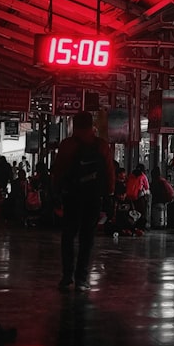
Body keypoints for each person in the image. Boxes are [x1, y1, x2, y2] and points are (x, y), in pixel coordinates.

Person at [51, 111, 115, 292]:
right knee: (87, 238)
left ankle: (66, 276)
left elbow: (58, 171)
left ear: (74, 125)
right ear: (91, 125)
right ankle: (82, 279)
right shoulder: (102, 146)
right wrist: (108, 194)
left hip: (72, 196)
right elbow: (110, 172)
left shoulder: (67, 145)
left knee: (68, 236)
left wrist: (56, 193)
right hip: (93, 197)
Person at [125, 163, 151, 235]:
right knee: (141, 214)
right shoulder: (143, 176)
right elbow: (147, 188)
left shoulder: (130, 176)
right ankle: (139, 228)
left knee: (130, 214)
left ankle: (131, 228)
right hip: (139, 198)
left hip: (129, 198)